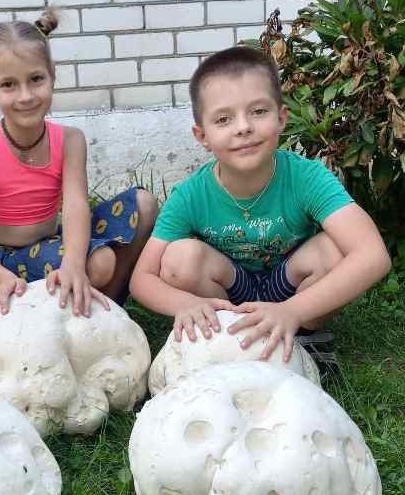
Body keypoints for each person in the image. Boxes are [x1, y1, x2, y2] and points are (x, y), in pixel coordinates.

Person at [129, 46, 391, 364]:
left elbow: (373, 256)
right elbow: (142, 278)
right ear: (202, 135)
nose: (243, 127)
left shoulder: (306, 177)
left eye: (258, 112)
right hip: (230, 294)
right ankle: (226, 335)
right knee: (179, 257)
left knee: (336, 249)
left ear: (281, 117)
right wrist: (183, 303)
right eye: (224, 119)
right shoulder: (191, 195)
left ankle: (306, 339)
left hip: (291, 287)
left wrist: (294, 309)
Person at [0, 10, 158, 323]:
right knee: (101, 262)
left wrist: (74, 263)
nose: (25, 96)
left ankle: (104, 315)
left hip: (52, 244)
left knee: (142, 205)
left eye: (36, 79)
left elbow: (76, 205)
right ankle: (74, 308)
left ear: (52, 75)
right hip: (4, 260)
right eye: (9, 85)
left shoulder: (70, 140)